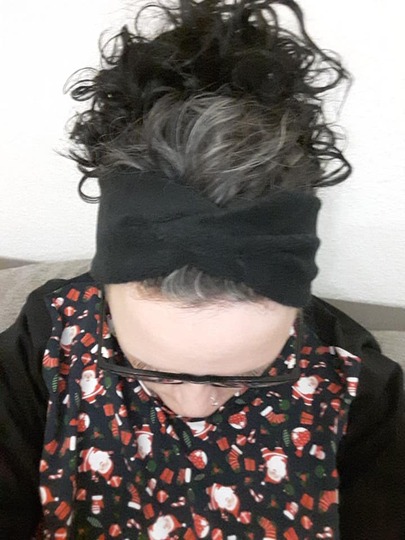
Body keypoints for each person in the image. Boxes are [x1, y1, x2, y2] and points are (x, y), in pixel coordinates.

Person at [0, 0, 404, 538]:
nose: (194, 407)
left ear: (295, 310)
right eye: (146, 368)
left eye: (245, 377)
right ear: (105, 291)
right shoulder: (48, 341)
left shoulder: (359, 393)